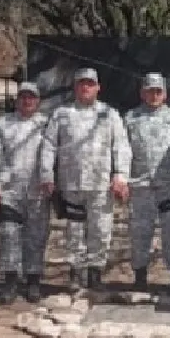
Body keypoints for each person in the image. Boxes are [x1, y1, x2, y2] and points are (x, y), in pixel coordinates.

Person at [40, 68, 130, 292]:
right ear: (75, 87)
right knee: (75, 231)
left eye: (90, 83)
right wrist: (46, 174)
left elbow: (120, 146)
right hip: (71, 183)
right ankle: (76, 274)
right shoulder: (62, 114)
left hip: (101, 184)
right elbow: (49, 145)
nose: (86, 87)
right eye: (81, 83)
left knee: (100, 230)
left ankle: (95, 272)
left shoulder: (109, 114)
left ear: (98, 87)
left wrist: (120, 176)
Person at [124, 72, 170, 299]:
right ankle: (140, 277)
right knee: (139, 233)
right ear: (142, 92)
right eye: (149, 90)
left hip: (169, 186)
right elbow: (123, 153)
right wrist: (122, 178)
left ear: (165, 93)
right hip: (140, 185)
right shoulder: (130, 119)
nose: (154, 95)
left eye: (158, 91)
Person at [0, 82, 50, 304]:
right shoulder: (3, 123)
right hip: (10, 191)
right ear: (17, 100)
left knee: (36, 237)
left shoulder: (45, 124)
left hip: (38, 191)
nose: (27, 101)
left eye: (32, 98)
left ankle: (33, 281)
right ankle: (9, 280)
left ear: (38, 101)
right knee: (8, 235)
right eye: (23, 97)